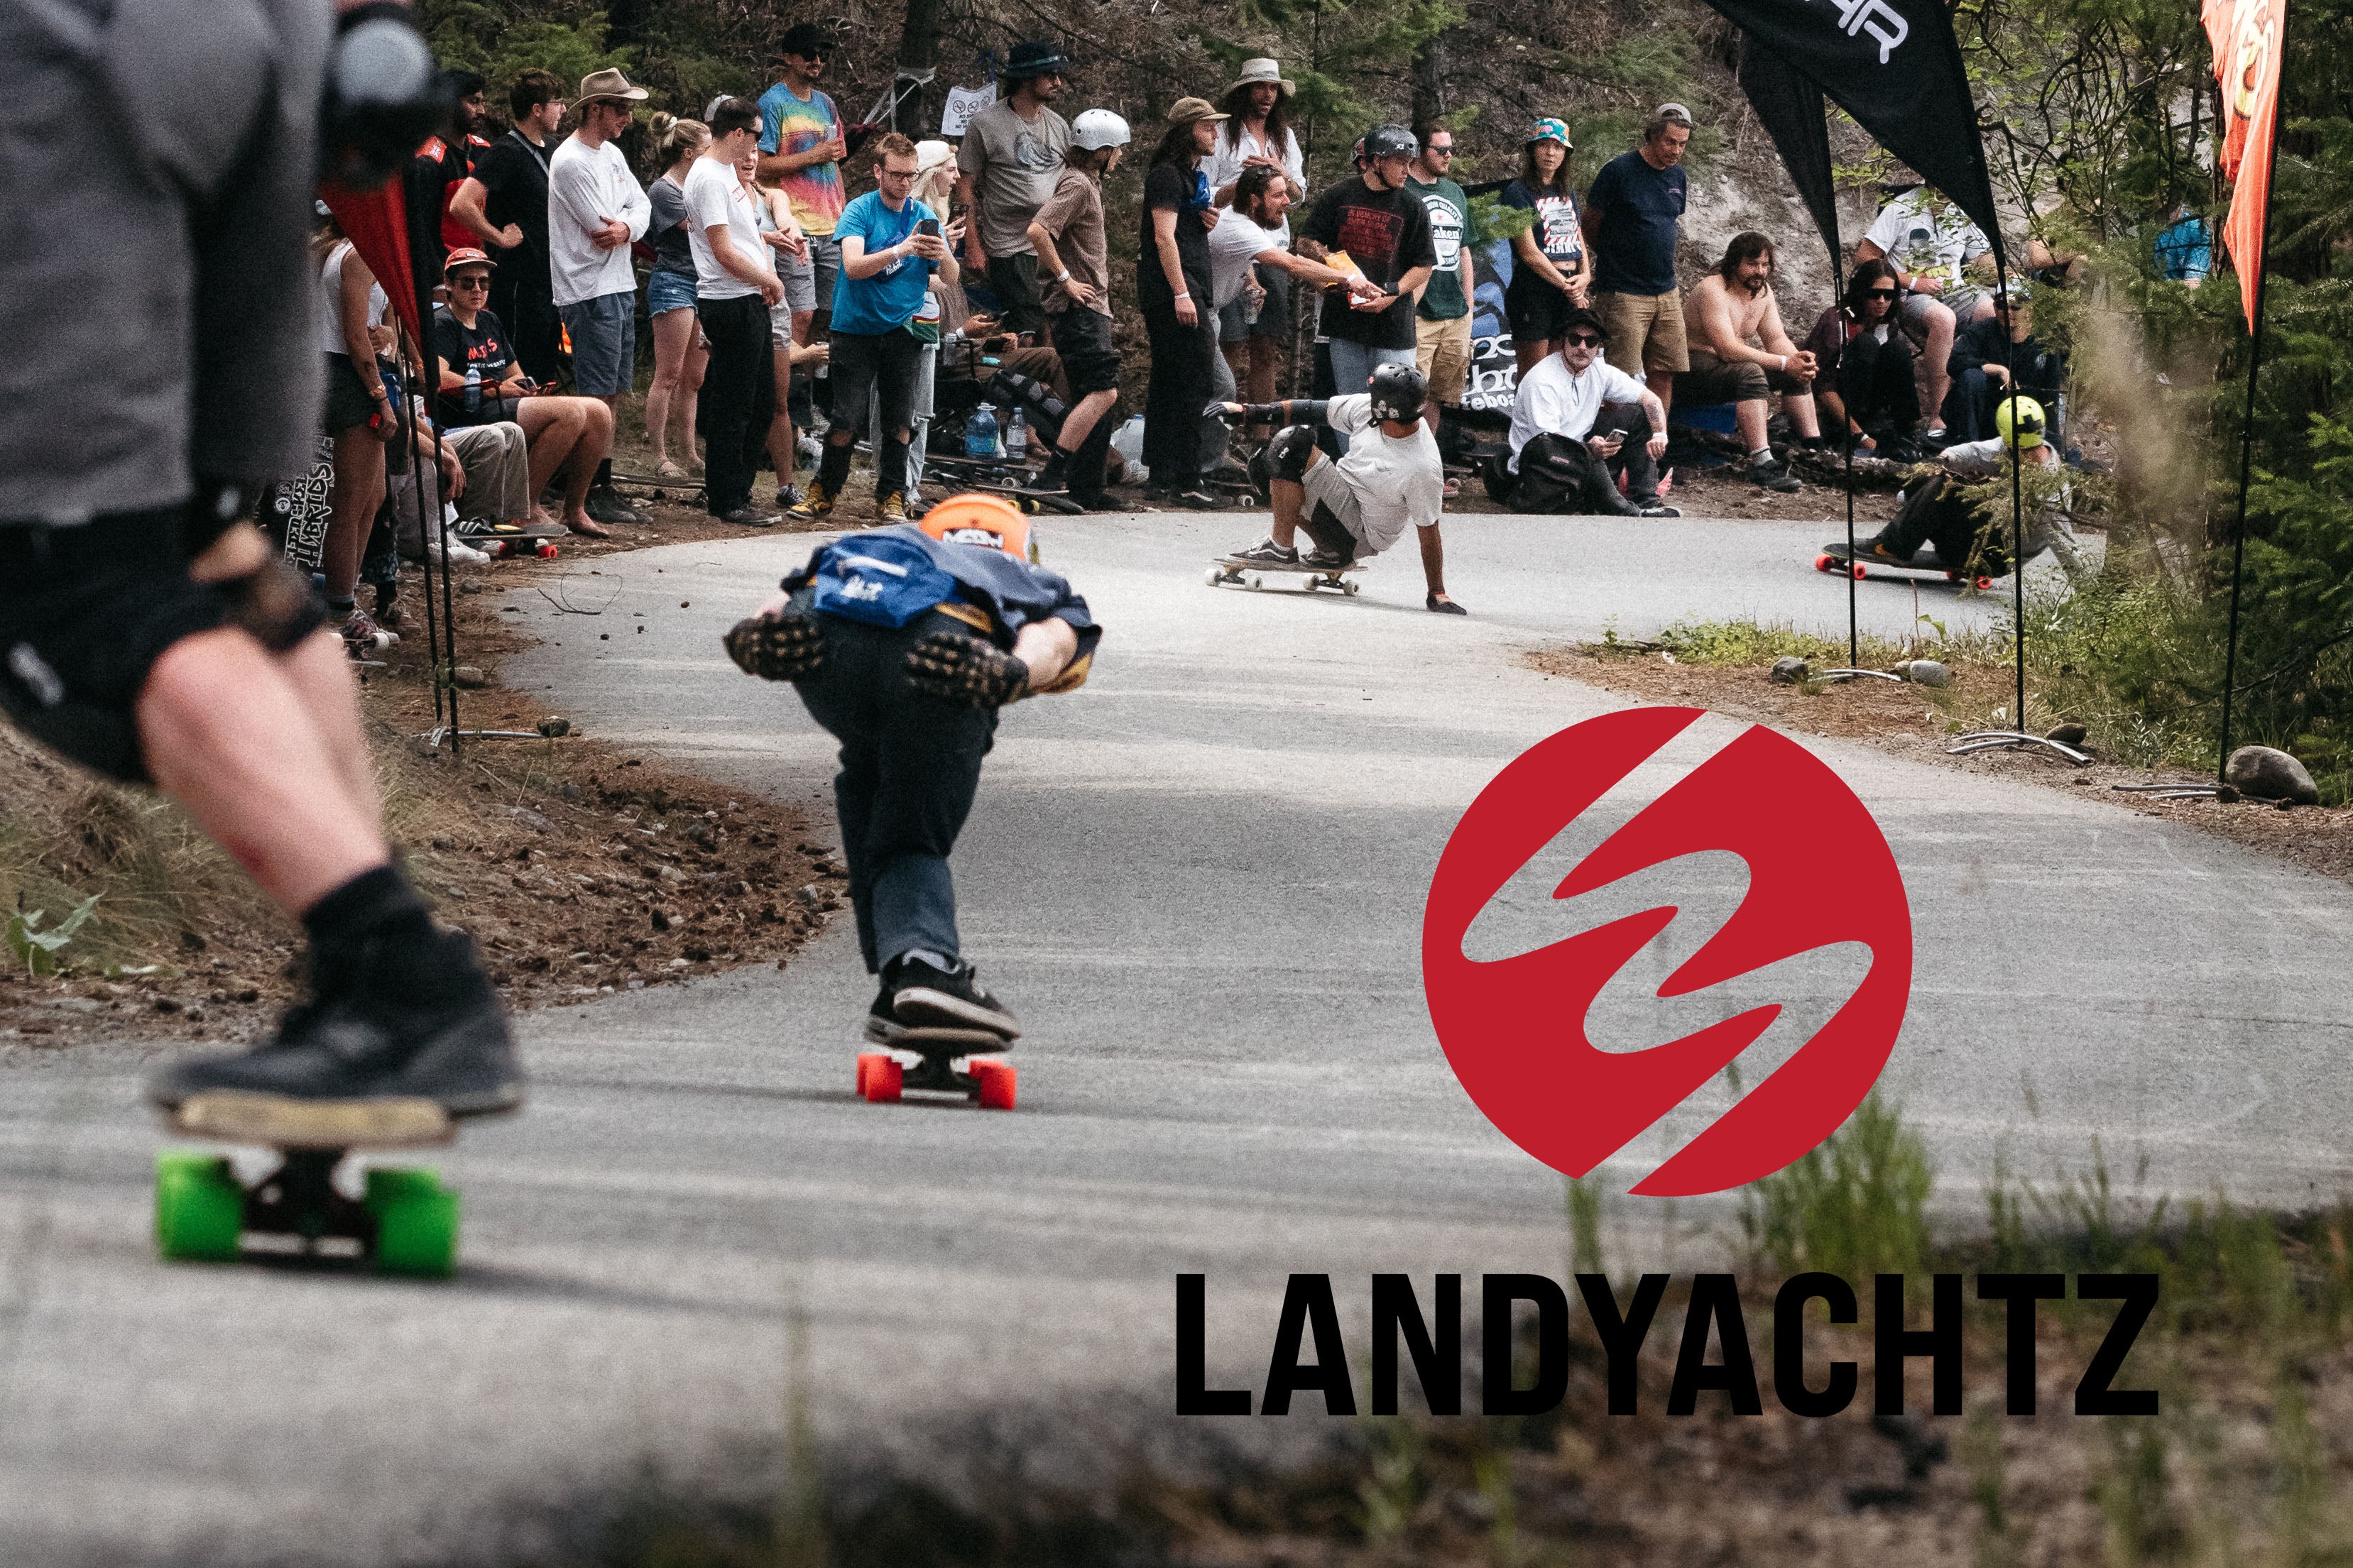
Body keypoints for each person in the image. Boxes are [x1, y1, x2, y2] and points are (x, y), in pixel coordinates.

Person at [2, 0, 520, 1120]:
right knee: (211, 555)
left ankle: (402, 983)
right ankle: (361, 972)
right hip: (261, 60)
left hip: (76, 78)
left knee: (78, 585)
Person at [722, 494, 1101, 1041]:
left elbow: (792, 593)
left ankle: (899, 974)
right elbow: (1056, 641)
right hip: (940, 643)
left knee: (871, 778)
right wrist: (1013, 669)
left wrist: (757, 631)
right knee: (913, 830)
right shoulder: (1025, 575)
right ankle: (929, 965)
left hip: (825, 635)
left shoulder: (886, 543)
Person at [795, 133, 961, 522]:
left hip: (904, 329)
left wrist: (943, 254)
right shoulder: (860, 210)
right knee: (846, 419)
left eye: (910, 175)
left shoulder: (924, 215)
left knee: (901, 421)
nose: (904, 183)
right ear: (878, 172)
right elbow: (853, 267)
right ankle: (824, 491)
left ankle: (892, 494)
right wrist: (902, 249)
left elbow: (950, 277)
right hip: (855, 329)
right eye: (897, 175)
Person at [1212, 363, 1466, 613]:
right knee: (1264, 462)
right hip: (1343, 499)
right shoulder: (1371, 410)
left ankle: (1280, 548)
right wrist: (1248, 412)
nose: (1369, 399)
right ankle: (1328, 551)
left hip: (1361, 536)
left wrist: (1437, 592)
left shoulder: (1422, 467)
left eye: (1375, 397)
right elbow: (1312, 410)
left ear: (1387, 409)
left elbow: (1429, 531)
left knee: (1293, 442)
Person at [430, 248, 626, 537]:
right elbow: (437, 376)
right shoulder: (443, 323)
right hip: (470, 409)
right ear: (449, 284)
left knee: (599, 411)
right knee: (571, 413)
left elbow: (516, 373)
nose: (477, 290)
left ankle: (575, 509)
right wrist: (496, 388)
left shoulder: (489, 320)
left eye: (483, 282)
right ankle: (526, 508)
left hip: (504, 401)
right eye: (467, 283)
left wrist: (526, 387)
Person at [548, 67, 652, 532]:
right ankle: (583, 492)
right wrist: (624, 225)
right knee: (595, 394)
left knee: (613, 391)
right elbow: (599, 226)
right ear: (595, 109)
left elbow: (641, 207)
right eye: (621, 108)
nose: (627, 118)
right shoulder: (571, 161)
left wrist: (628, 227)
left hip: (619, 283)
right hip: (589, 288)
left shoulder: (612, 154)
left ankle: (599, 482)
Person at [1298, 124, 1437, 455]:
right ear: (1376, 161)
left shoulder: (1413, 206)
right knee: (1351, 407)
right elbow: (1305, 243)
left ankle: (1392, 475)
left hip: (1393, 325)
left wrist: (1392, 292)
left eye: (1410, 162)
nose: (1407, 170)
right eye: (1400, 162)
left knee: (1398, 407)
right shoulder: (1339, 195)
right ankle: (1353, 472)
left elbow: (1424, 266)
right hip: (1344, 320)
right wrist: (1336, 270)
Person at [1022, 110, 1134, 504]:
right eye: (1117, 149)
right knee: (1104, 392)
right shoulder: (1078, 185)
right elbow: (1038, 230)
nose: (1120, 155)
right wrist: (1066, 278)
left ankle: (1088, 487)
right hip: (1079, 308)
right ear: (1101, 151)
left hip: (1092, 308)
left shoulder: (1086, 183)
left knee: (1094, 398)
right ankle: (1053, 476)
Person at [688, 99, 789, 528]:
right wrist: (769, 280)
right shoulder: (709, 177)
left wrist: (766, 270)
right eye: (756, 136)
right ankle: (726, 497)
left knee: (762, 400)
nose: (757, 147)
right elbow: (723, 250)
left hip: (748, 294)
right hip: (727, 299)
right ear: (737, 133)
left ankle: (740, 490)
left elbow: (746, 235)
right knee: (735, 404)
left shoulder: (729, 173)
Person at [1851, 395, 2085, 579]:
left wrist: (2092, 600)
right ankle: (1903, 529)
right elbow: (1972, 452)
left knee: (1947, 487)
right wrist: (1941, 462)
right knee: (1930, 472)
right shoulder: (2010, 445)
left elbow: (2066, 547)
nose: (2026, 456)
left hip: (1995, 557)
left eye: (2027, 451)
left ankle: (1893, 547)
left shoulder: (2050, 490)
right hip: (1976, 537)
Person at [315, 216, 402, 655]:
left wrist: (388, 336)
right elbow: (353, 334)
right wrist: (379, 395)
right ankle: (340, 607)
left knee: (374, 497)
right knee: (350, 502)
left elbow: (383, 328)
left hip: (355, 373)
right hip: (349, 378)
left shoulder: (357, 253)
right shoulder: (356, 256)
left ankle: (345, 595)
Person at [1496, 305, 1674, 517]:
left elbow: (1650, 399)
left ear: (1598, 347)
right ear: (1563, 341)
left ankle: (1647, 501)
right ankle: (1629, 512)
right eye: (1575, 339)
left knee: (1637, 414)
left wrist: (1660, 434)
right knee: (1590, 459)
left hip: (1576, 449)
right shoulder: (1542, 379)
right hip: (1540, 461)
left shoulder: (1599, 370)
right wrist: (1589, 449)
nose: (1582, 347)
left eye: (1591, 342)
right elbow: (1549, 441)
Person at [1855, 180, 1995, 446]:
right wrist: (1912, 281)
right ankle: (1938, 416)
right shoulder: (1901, 207)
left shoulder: (1962, 209)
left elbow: (1981, 262)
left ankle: (1980, 408)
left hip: (1955, 290)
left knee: (1991, 311)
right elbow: (1866, 257)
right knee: (1944, 319)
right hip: (1910, 294)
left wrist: (2006, 273)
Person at [1138, 98, 1228, 509]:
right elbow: (1162, 237)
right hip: (1175, 290)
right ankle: (1189, 478)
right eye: (1208, 127)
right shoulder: (1167, 175)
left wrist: (1203, 221)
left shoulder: (1192, 177)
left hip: (1188, 286)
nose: (1215, 134)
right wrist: (1181, 293)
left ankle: (1161, 475)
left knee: (1170, 380)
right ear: (1188, 129)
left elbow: (1180, 229)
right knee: (1195, 382)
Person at [1206, 58, 1307, 424]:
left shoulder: (1284, 137)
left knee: (1265, 347)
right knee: (1230, 343)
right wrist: (1245, 184)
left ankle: (1263, 434)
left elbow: (1298, 195)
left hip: (1273, 246)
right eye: (1260, 87)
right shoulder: (1223, 135)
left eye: (1273, 88)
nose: (1267, 95)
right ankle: (1221, 429)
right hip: (1231, 249)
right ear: (1244, 91)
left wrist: (1280, 175)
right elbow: (1205, 193)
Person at [450, 70, 567, 385]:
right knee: (523, 369)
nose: (563, 109)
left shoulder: (554, 148)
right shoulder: (506, 151)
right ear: (537, 109)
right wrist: (499, 238)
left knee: (546, 364)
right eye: (557, 102)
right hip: (518, 282)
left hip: (549, 278)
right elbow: (461, 204)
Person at [1678, 233, 1813, 492]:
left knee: (1795, 373)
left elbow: (1776, 338)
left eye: (1764, 265)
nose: (1759, 271)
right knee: (1751, 373)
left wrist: (1799, 362)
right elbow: (1727, 349)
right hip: (1693, 369)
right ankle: (1762, 462)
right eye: (1752, 264)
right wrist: (1784, 363)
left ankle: (1813, 448)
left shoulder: (1763, 293)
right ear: (1734, 264)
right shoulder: (1712, 289)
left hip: (1726, 368)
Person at [1581, 103, 1692, 417]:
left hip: (1666, 290)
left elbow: (1669, 221)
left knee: (1665, 370)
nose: (1676, 150)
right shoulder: (1618, 171)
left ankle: (1657, 436)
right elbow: (1590, 222)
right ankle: (1615, 440)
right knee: (1621, 376)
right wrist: (1614, 255)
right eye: (1670, 142)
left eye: (1682, 144)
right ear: (1653, 135)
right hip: (1624, 291)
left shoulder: (1678, 176)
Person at [956, 40, 1072, 341]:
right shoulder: (986, 125)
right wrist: (972, 245)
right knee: (1028, 332)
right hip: (1011, 247)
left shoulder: (1059, 126)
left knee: (1057, 330)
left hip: (1053, 245)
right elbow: (964, 186)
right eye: (1050, 75)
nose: (1058, 82)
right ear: (1026, 78)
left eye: (1058, 75)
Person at [757, 21, 849, 356]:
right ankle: (788, 386)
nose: (817, 61)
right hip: (795, 226)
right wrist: (812, 155)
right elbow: (760, 166)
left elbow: (834, 162)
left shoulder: (826, 104)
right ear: (788, 57)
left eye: (821, 55)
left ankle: (811, 384)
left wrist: (845, 215)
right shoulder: (772, 103)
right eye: (809, 54)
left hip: (832, 226)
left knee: (829, 315)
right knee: (800, 314)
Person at [746, 141, 815, 511]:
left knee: (778, 399)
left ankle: (786, 484)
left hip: (773, 300)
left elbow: (785, 217)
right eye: (744, 152)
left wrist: (792, 233)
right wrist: (763, 237)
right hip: (733, 298)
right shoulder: (716, 190)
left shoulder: (771, 195)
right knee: (737, 396)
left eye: (756, 153)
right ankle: (730, 481)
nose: (750, 159)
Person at [1407, 121, 1473, 484]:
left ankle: (1426, 471)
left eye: (1451, 149)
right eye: (1441, 150)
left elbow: (1464, 250)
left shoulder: (1454, 192)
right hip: (1420, 309)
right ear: (1420, 150)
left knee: (1438, 395)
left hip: (1455, 311)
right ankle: (1404, 466)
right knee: (1411, 392)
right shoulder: (1405, 190)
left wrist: (1470, 303)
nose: (1449, 156)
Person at [644, 115, 711, 478]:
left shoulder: (702, 185)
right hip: (674, 281)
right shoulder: (664, 190)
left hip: (703, 284)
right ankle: (659, 454)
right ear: (688, 153)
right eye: (706, 148)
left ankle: (690, 453)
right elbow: (700, 229)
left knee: (695, 378)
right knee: (668, 374)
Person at [1801, 261, 1919, 457]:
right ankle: (1853, 436)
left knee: (1897, 349)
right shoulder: (1836, 321)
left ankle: (1905, 434)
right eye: (1875, 294)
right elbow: (1822, 386)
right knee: (1866, 343)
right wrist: (1860, 436)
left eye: (1889, 295)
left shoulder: (1888, 324)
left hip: (1874, 407)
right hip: (1838, 410)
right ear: (1861, 292)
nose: (1882, 301)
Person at [1500, 118, 1589, 377]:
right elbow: (1529, 252)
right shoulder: (1518, 192)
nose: (1550, 153)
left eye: (1558, 147)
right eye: (1544, 145)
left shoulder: (1567, 191)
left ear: (1565, 153)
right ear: (1533, 150)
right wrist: (1568, 287)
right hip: (1535, 288)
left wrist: (1585, 275)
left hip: (1568, 286)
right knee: (1534, 374)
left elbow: (1578, 236)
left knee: (1562, 371)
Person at [1944, 285, 2065, 445]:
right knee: (1972, 377)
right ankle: (1967, 444)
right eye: (2002, 306)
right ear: (1994, 307)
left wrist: (2051, 441)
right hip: (1983, 414)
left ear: (2029, 310)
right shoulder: (1981, 330)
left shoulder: (2045, 343)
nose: (2007, 312)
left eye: (2015, 307)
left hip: (2022, 418)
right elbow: (1954, 363)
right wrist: (1998, 370)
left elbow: (2051, 394)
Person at [2154, 202, 2211, 287]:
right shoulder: (2160, 234)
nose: (2168, 216)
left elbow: (2202, 248)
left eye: (2172, 210)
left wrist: (2194, 276)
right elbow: (2163, 263)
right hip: (2174, 281)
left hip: (2196, 274)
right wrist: (2173, 284)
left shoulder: (2193, 227)